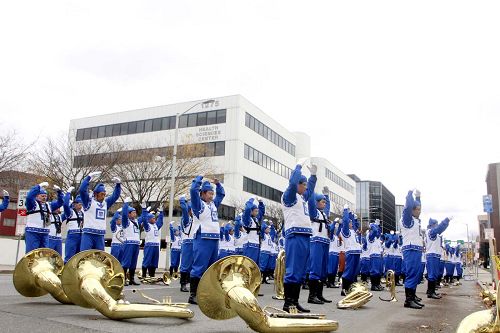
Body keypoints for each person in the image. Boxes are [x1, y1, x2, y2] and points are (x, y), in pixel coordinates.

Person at [281, 163, 317, 313]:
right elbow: (292, 183)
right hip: (295, 235)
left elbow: (310, 190)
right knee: (294, 269)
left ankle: (294, 302)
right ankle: (288, 302)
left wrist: (313, 176)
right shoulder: (289, 195)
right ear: (298, 185)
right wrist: (297, 168)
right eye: (304, 185)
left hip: (304, 235)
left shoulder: (301, 197)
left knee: (301, 271)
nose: (306, 188)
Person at [188, 176, 225, 305]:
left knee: (211, 268)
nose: (211, 196)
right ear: (202, 193)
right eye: (209, 193)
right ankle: (193, 295)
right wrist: (199, 179)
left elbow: (222, 194)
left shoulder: (213, 204)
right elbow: (193, 190)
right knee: (199, 267)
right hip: (203, 238)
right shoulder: (198, 204)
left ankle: (207, 293)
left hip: (214, 239)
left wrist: (218, 184)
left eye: (212, 193)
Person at [79, 172, 121, 251]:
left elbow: (115, 196)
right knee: (84, 256)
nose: (103, 196)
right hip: (88, 234)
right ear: (95, 194)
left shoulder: (105, 203)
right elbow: (82, 190)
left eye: (104, 194)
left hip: (100, 235)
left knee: (100, 258)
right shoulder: (88, 202)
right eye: (101, 194)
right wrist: (88, 177)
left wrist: (118, 185)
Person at [307, 188, 332, 304]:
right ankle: (312, 296)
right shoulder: (314, 212)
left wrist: (327, 195)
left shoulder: (324, 214)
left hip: (325, 242)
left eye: (325, 201)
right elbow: (311, 202)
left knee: (323, 269)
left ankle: (319, 295)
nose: (324, 203)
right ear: (317, 202)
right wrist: (311, 190)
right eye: (322, 201)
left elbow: (327, 207)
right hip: (316, 242)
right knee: (316, 268)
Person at [400, 189, 424, 309]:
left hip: (416, 249)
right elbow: (409, 206)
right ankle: (408, 300)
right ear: (412, 210)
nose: (419, 211)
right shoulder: (407, 219)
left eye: (420, 209)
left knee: (416, 273)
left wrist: (418, 198)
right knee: (411, 273)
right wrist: (409, 195)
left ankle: (413, 297)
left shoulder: (415, 220)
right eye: (417, 209)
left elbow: (414, 205)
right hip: (410, 249)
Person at [25, 182, 64, 252]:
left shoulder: (49, 205)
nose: (44, 197)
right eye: (42, 196)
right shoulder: (32, 204)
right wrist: (39, 186)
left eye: (45, 196)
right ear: (37, 196)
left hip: (45, 233)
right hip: (33, 232)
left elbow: (60, 202)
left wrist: (59, 192)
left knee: (44, 255)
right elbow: (29, 197)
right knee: (31, 253)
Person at [121, 197, 143, 286]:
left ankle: (131, 279)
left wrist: (144, 209)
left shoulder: (136, 221)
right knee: (126, 261)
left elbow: (144, 218)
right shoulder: (126, 222)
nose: (135, 214)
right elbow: (124, 215)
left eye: (135, 212)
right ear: (129, 214)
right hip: (129, 243)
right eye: (133, 212)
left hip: (136, 243)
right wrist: (126, 204)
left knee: (133, 262)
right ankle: (124, 279)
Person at [340, 205, 361, 296]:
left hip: (356, 252)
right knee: (348, 271)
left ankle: (350, 288)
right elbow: (345, 221)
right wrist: (345, 211)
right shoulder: (345, 231)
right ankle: (344, 289)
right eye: (350, 222)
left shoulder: (353, 230)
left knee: (354, 271)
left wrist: (354, 218)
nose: (351, 224)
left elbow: (356, 225)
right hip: (351, 252)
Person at [179, 195, 195, 292]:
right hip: (188, 243)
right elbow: (184, 211)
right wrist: (182, 201)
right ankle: (183, 284)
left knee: (193, 264)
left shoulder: (194, 219)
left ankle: (189, 281)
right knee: (185, 264)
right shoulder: (186, 219)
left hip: (195, 242)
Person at [142, 207, 164, 278]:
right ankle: (144, 275)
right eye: (153, 218)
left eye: (155, 218)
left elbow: (160, 222)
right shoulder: (147, 226)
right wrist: (145, 210)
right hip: (149, 245)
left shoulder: (155, 226)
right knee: (147, 260)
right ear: (149, 219)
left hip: (156, 245)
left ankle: (152, 275)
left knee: (154, 261)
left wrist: (161, 212)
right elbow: (144, 220)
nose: (154, 219)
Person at [62, 192, 84, 263]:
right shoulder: (70, 212)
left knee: (80, 257)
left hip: (82, 235)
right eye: (79, 204)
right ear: (74, 204)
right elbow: (65, 205)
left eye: (81, 204)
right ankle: (66, 271)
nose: (81, 206)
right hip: (72, 235)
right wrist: (68, 194)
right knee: (69, 256)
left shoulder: (83, 212)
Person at [243, 197, 265, 264]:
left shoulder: (255, 219)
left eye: (257, 211)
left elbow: (261, 213)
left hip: (256, 245)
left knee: (255, 265)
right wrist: (250, 201)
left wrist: (261, 203)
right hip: (249, 245)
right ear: (251, 211)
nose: (257, 212)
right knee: (249, 264)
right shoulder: (247, 220)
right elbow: (247, 209)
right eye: (255, 211)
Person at [367, 220, 384, 291]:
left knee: (379, 271)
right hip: (373, 255)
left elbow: (378, 232)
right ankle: (373, 285)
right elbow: (374, 231)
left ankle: (377, 284)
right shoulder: (370, 235)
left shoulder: (377, 237)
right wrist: (373, 225)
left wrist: (379, 225)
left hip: (378, 255)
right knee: (374, 271)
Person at [326, 219, 341, 288]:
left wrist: (340, 224)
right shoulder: (331, 237)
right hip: (332, 254)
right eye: (335, 229)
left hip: (336, 254)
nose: (336, 230)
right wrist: (334, 222)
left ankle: (332, 282)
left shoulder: (336, 236)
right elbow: (331, 229)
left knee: (335, 269)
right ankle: (330, 282)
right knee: (331, 269)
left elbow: (339, 230)